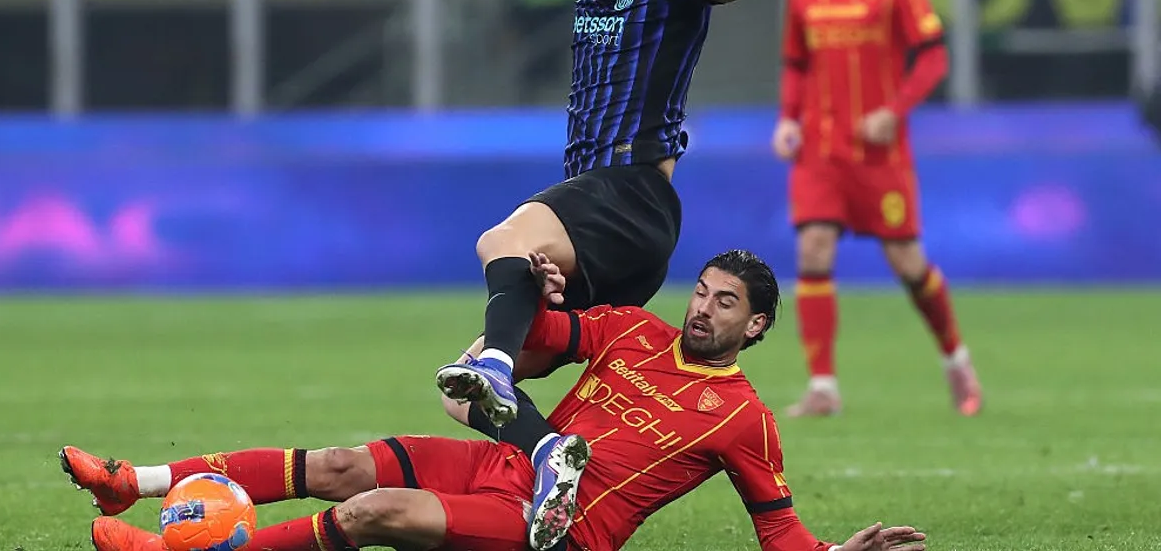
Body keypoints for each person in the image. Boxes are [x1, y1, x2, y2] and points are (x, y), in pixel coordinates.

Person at [431, 0, 836, 543]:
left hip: (630, 192)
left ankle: (498, 365)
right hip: (618, 233)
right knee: (459, 392)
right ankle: (550, 454)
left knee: (499, 242)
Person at [61, 250, 926, 551]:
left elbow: (778, 530)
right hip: (502, 461)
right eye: (701, 291)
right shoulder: (631, 329)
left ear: (757, 325)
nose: (702, 308)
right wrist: (536, 288)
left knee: (372, 510)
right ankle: (133, 482)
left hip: (557, 527)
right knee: (340, 465)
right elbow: (532, 334)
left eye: (724, 302)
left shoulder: (746, 419)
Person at [772, 0, 981, 418]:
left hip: (878, 153)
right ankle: (823, 386)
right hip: (820, 150)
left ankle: (956, 359)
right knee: (813, 251)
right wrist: (788, 121)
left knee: (908, 263)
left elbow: (932, 57)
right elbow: (796, 64)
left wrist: (894, 110)